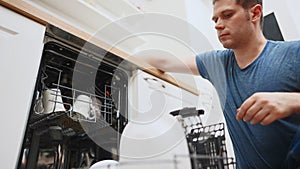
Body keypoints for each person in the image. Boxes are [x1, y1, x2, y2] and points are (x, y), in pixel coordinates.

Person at [141, 0, 300, 168]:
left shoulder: (293, 54)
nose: (218, 25)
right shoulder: (218, 63)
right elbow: (165, 61)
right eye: (215, 19)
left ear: (254, 13)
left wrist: (294, 101)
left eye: (227, 15)